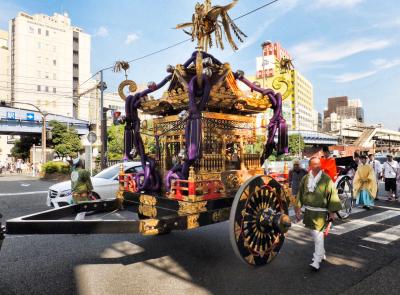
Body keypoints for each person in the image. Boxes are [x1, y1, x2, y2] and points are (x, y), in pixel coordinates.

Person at [295, 157, 342, 271]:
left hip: (321, 212)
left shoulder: (326, 179)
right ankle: (322, 253)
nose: (317, 166)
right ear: (310, 166)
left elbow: (332, 195)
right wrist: (298, 207)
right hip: (309, 211)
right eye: (314, 164)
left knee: (318, 235)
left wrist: (332, 212)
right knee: (315, 235)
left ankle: (317, 260)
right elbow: (300, 193)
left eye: (318, 164)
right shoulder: (305, 178)